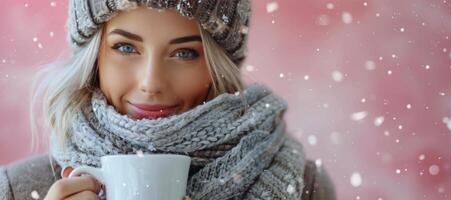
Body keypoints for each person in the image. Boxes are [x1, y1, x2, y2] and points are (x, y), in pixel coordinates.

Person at [0, 0, 336, 199]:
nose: (151, 83)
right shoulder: (17, 189)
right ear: (94, 56)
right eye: (126, 47)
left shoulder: (305, 188)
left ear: (217, 66)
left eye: (185, 53)